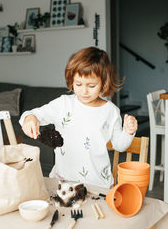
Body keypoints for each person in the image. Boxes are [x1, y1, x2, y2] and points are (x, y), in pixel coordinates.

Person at [19, 46, 138, 188]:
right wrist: (30, 118)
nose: (84, 91)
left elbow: (120, 145)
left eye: (92, 85)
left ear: (104, 83)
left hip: (97, 184)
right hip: (62, 182)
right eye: (78, 84)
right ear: (71, 81)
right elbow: (35, 114)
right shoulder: (63, 104)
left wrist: (129, 132)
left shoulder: (110, 111)